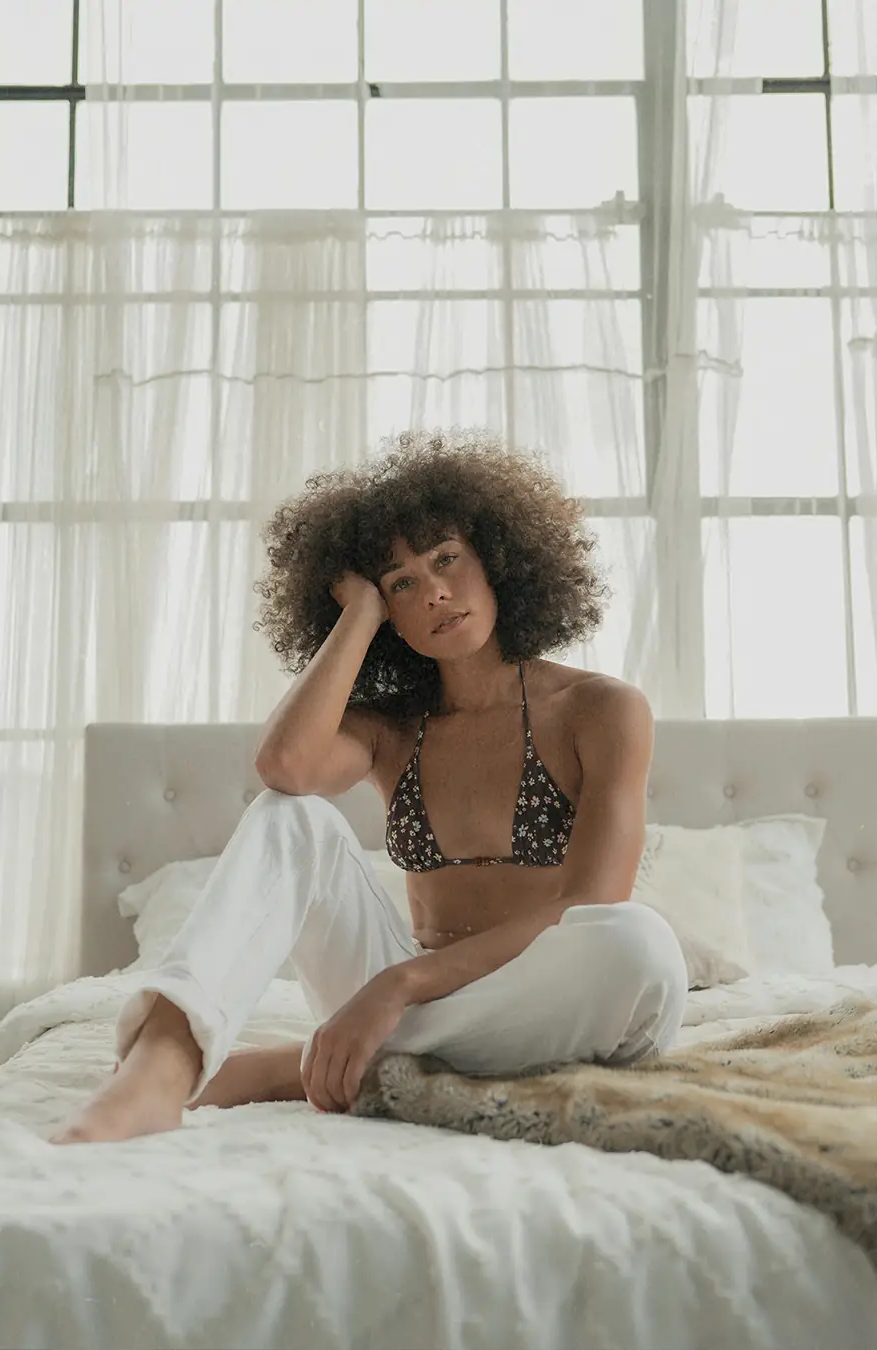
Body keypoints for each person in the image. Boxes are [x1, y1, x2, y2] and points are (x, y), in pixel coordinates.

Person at [52, 428, 687, 1145]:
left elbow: (592, 902)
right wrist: (360, 613)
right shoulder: (391, 729)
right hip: (400, 999)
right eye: (403, 583)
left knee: (639, 943)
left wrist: (397, 988)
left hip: (532, 997)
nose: (436, 592)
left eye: (446, 559)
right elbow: (285, 767)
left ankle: (285, 1068)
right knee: (291, 818)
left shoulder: (600, 709)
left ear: (496, 557)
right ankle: (163, 1066)